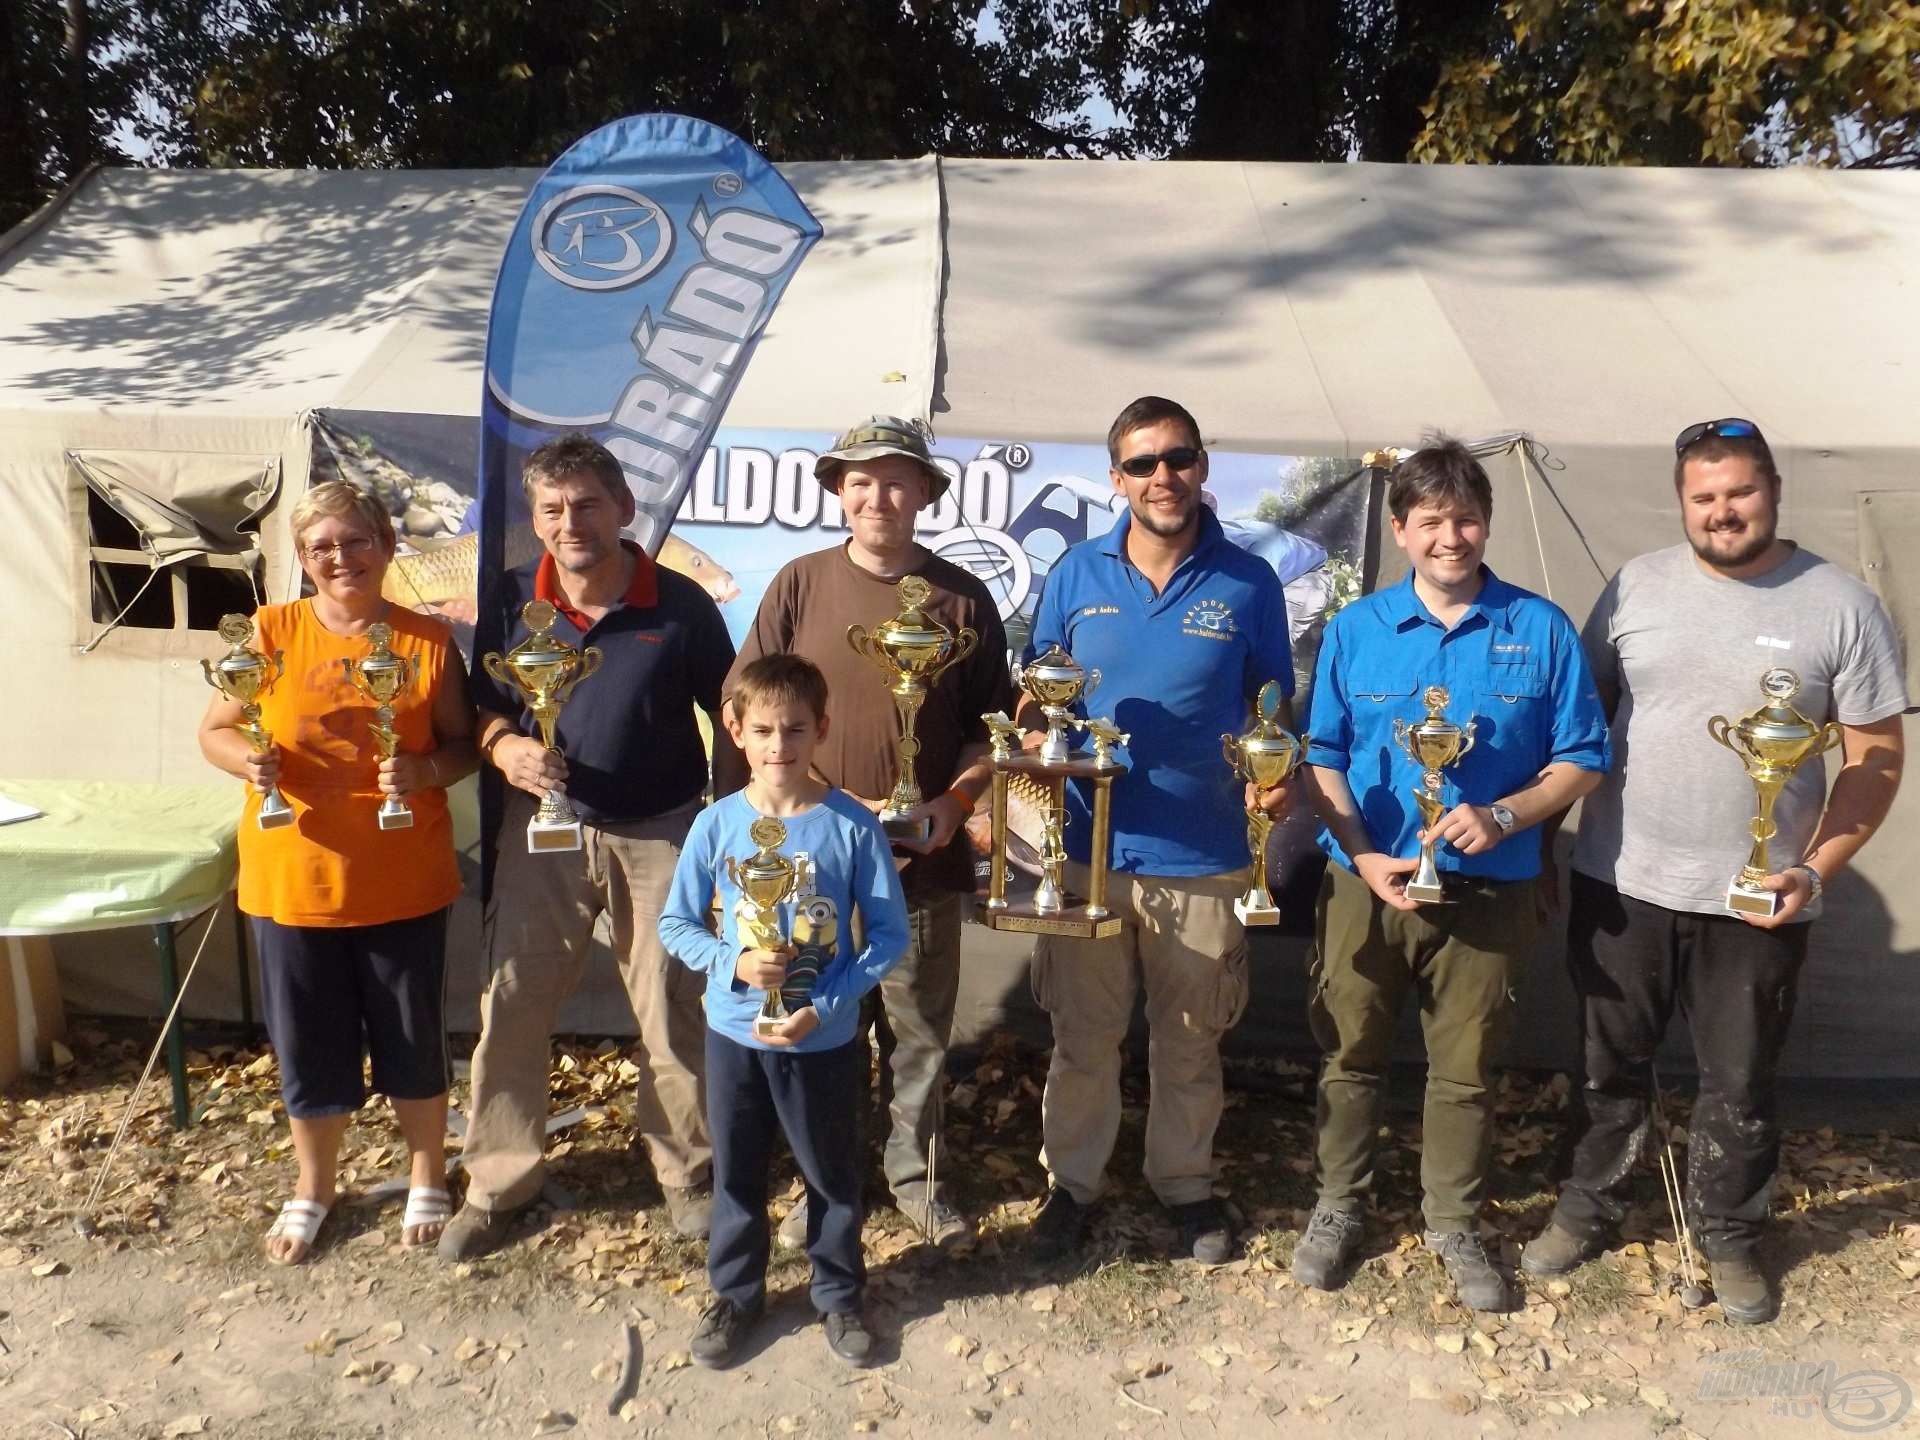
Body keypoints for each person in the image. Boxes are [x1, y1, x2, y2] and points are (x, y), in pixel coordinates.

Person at [1521, 418, 1907, 1324]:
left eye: (1739, 491)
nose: (1722, 511)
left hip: (1762, 901)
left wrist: (1814, 872)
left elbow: (1875, 759)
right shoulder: (1634, 588)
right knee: (1609, 1064)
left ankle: (1730, 1234)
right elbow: (1576, 731)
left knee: (1740, 1080)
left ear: (1773, 489)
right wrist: (1544, 844)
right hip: (1621, 882)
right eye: (1704, 496)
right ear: (1682, 501)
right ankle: (1591, 1205)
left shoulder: (1840, 605)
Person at [1296, 437, 1609, 1311]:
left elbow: (1584, 756)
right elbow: (1320, 755)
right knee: (1350, 1053)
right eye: (1431, 520)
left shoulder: (1537, 627)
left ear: (1486, 523)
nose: (1451, 537)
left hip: (1492, 887)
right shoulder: (1356, 630)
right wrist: (1360, 849)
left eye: (1466, 517)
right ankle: (1337, 1205)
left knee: (1466, 1066)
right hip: (1368, 882)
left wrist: (1506, 814)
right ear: (1399, 529)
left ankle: (1453, 1221)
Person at [721, 415, 1013, 1249]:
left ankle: (915, 1179)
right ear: (838, 493)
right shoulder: (799, 586)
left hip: (922, 862)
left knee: (917, 1032)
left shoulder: (963, 597)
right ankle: (822, 1181)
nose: (878, 496)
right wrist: (784, 821)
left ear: (925, 492)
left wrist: (955, 806)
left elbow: (986, 728)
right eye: (860, 480)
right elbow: (746, 713)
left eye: (896, 479)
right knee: (816, 1024)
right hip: (810, 867)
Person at [441, 434, 736, 1260]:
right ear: (536, 521)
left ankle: (687, 1174)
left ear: (625, 510)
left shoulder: (680, 606)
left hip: (660, 832)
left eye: (588, 505)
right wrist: (503, 749)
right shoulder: (506, 600)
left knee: (673, 1010)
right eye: (553, 509)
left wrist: (731, 823)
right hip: (540, 837)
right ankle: (500, 1179)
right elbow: (480, 707)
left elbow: (735, 716)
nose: (571, 522)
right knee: (512, 1004)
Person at [1018, 395, 1297, 1266]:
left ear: (1203, 466)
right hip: (1086, 854)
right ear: (1116, 480)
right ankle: (1072, 1187)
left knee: (1189, 1039)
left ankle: (1185, 1186)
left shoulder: (1250, 583)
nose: (1162, 477)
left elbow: (1274, 708)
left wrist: (1275, 777)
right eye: (1142, 464)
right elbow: (1038, 691)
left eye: (1177, 458)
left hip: (1205, 855)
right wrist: (1033, 739)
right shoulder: (1074, 574)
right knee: (1082, 1039)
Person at [198, 479, 477, 1264]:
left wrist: (424, 774)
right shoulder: (267, 629)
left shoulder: (427, 639)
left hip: (401, 877)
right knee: (308, 1041)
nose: (341, 558)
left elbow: (459, 746)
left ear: (388, 546)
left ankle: (428, 1170)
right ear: (302, 559)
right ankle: (315, 1183)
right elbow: (215, 730)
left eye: (356, 541)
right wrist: (246, 763)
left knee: (411, 1033)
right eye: (322, 546)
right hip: (293, 876)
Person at [660, 653, 909, 1369]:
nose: (779, 746)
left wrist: (829, 1002)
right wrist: (731, 961)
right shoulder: (716, 826)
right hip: (735, 1031)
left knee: (832, 1174)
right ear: (735, 731)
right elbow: (676, 925)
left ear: (821, 728)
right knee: (737, 1172)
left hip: (822, 1035)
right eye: (763, 730)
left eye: (795, 729)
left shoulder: (851, 826)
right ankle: (737, 1294)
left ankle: (837, 1295)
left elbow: (888, 934)